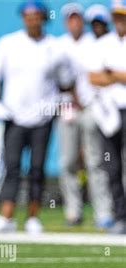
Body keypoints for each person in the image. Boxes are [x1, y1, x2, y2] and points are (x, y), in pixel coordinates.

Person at [0, 0, 73, 234]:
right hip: (14, 116)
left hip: (44, 117)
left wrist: (72, 103)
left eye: (37, 15)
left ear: (44, 18)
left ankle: (33, 217)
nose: (32, 19)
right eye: (28, 15)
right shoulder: (9, 44)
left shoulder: (55, 47)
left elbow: (66, 82)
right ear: (23, 18)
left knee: (37, 168)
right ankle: (6, 217)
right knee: (12, 166)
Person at [57, 3, 114, 229]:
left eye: (78, 18)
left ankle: (103, 212)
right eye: (71, 19)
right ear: (66, 22)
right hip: (68, 109)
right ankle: (73, 210)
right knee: (68, 161)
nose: (75, 23)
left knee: (96, 161)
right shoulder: (59, 46)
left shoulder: (95, 43)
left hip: (92, 109)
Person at [88, 0, 126, 234]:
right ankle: (120, 215)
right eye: (117, 16)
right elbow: (93, 77)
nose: (119, 21)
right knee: (111, 166)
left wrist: (112, 74)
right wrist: (116, 77)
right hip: (110, 112)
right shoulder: (103, 44)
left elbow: (106, 76)